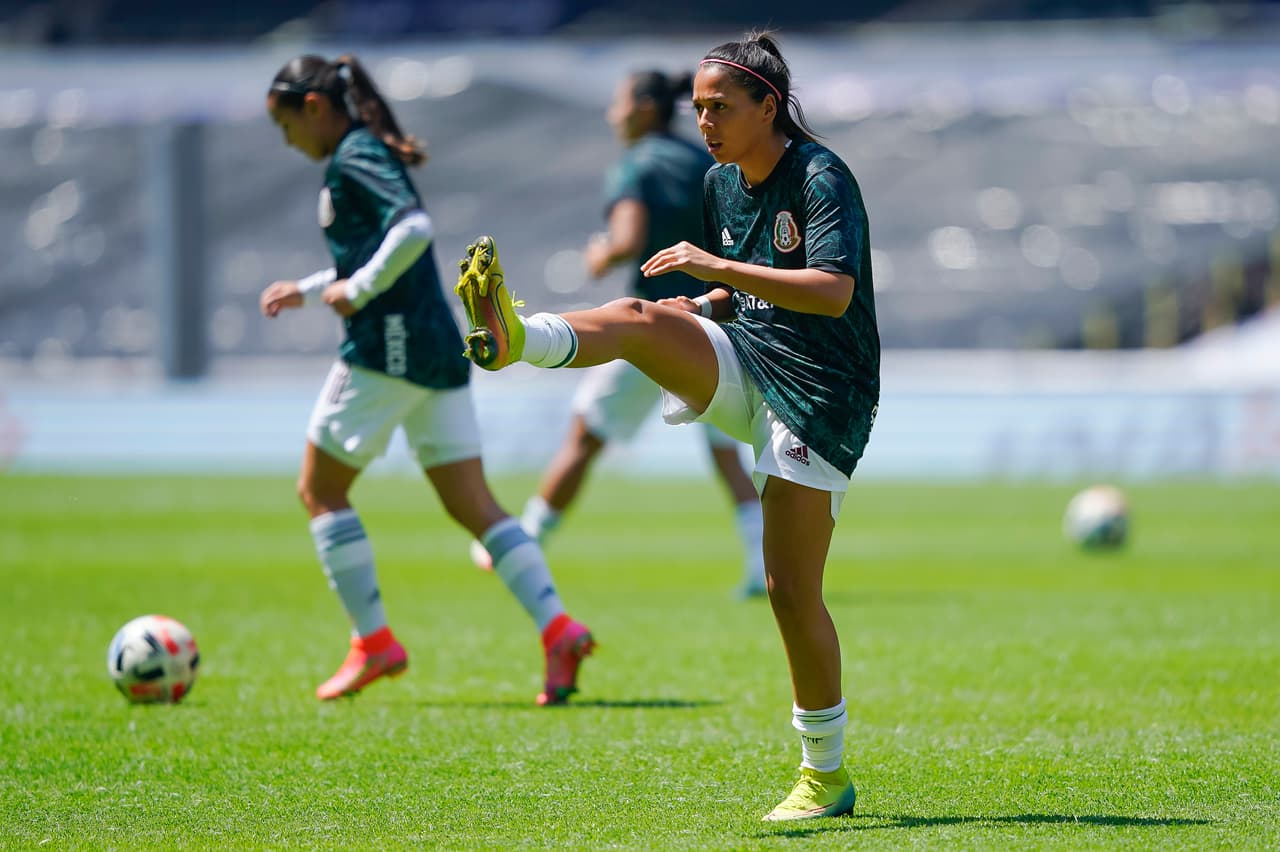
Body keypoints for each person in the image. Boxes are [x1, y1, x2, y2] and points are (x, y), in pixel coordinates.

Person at [453, 31, 879, 821]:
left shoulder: (822, 176)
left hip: (823, 392)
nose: (708, 121)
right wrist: (707, 302)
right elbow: (740, 290)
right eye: (699, 109)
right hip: (749, 356)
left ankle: (825, 774)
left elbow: (831, 292)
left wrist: (715, 274)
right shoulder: (720, 182)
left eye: (721, 107)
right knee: (644, 317)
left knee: (791, 591)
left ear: (769, 106)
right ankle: (518, 337)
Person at [257, 54, 594, 705]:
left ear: (315, 108)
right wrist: (309, 289)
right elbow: (379, 251)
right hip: (436, 348)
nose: (287, 140)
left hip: (389, 348)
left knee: (320, 491)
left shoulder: (354, 154)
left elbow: (413, 228)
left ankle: (373, 643)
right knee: (475, 506)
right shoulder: (363, 150)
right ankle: (559, 628)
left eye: (285, 124)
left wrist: (361, 287)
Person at [468, 69, 766, 598]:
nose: (613, 114)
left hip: (650, 327)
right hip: (718, 324)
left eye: (619, 102)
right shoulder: (705, 162)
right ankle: (759, 569)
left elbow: (627, 240)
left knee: (585, 436)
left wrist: (600, 253)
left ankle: (524, 542)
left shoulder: (638, 164)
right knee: (725, 455)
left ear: (646, 108)